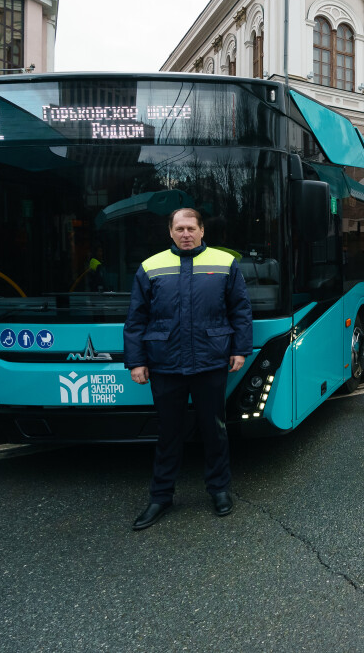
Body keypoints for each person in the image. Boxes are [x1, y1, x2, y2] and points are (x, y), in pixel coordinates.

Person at [124, 208, 253, 530]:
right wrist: (136, 361)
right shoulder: (150, 267)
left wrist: (240, 350)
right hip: (165, 363)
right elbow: (137, 319)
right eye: (179, 228)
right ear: (170, 232)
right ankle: (161, 496)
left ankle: (219, 490)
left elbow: (240, 310)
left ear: (202, 230)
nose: (185, 234)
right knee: (168, 433)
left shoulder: (224, 263)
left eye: (191, 228)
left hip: (211, 360)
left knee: (215, 429)